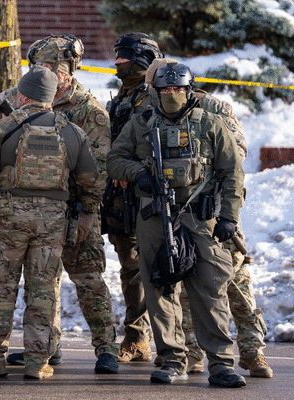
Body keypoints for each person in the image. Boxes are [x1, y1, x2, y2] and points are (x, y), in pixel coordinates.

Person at [107, 61, 247, 388]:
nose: (172, 94)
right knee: (160, 287)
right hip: (155, 216)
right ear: (155, 91)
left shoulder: (210, 123)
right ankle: (172, 360)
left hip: (201, 217)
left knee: (210, 289)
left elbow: (232, 172)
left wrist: (229, 217)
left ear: (189, 90)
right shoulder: (140, 124)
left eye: (178, 89)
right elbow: (114, 160)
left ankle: (221, 364)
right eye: (166, 89)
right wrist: (139, 173)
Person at [0, 34, 119, 374]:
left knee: (89, 279)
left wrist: (87, 213)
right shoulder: (16, 98)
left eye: (51, 66)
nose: (44, 72)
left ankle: (106, 348)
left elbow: (99, 170)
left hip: (75, 208)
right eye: (39, 66)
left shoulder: (89, 110)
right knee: (45, 283)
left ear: (69, 70)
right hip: (33, 211)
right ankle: (46, 348)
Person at [0, 65, 100, 379]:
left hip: (8, 220)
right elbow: (91, 180)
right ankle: (37, 361)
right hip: (51, 223)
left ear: (23, 96)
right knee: (43, 291)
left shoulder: (3, 128)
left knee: (0, 288)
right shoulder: (72, 132)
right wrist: (84, 213)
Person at [146, 58, 274, 378]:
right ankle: (192, 352)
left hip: (216, 209)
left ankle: (253, 350)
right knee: (187, 281)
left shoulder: (213, 109)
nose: (164, 93)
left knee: (235, 281)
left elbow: (235, 154)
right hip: (182, 212)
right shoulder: (154, 112)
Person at [103, 32, 163, 364]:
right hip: (121, 193)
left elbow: (156, 141)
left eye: (123, 56)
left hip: (144, 191)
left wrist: (133, 169)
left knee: (147, 267)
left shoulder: (153, 94)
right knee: (130, 267)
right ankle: (137, 337)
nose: (117, 62)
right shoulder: (123, 96)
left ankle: (155, 339)